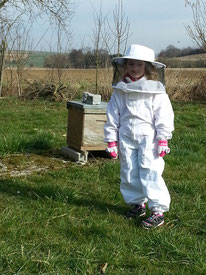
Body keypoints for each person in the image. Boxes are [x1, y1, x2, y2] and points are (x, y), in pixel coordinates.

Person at [104, 44, 174, 229]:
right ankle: (137, 204)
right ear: (125, 65)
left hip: (148, 138)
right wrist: (111, 139)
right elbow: (113, 114)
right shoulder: (121, 89)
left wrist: (163, 138)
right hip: (126, 136)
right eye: (131, 64)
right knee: (128, 171)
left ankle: (158, 210)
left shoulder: (155, 90)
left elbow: (163, 115)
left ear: (147, 67)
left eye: (139, 65)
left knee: (150, 171)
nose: (134, 68)